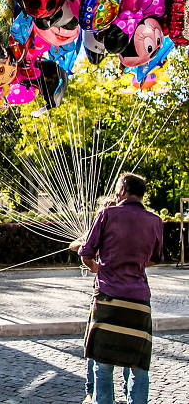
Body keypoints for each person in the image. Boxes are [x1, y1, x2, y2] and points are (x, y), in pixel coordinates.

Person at [78, 173, 162, 404]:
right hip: (139, 300)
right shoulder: (155, 221)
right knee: (139, 365)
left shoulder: (106, 214)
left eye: (117, 188)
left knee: (103, 364)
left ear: (123, 189)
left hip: (108, 298)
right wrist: (135, 264)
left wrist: (97, 267)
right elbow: (155, 258)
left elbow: (85, 253)